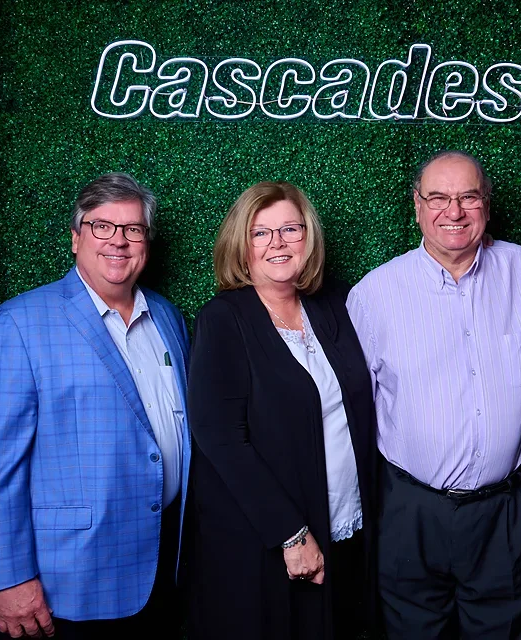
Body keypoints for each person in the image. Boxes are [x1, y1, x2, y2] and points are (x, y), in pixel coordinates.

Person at [0, 172, 191, 638]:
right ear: (75, 237)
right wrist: (9, 579)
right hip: (69, 578)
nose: (118, 242)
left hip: (165, 560)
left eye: (132, 229)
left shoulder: (167, 316)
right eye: (101, 226)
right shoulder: (18, 323)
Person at [345, 150, 521, 639]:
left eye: (468, 197)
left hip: (505, 511)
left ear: (487, 203)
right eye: (438, 197)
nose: (454, 211)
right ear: (416, 206)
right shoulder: (374, 295)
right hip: (409, 511)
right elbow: (350, 412)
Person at [187, 181, 377, 639]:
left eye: (290, 229)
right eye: (260, 233)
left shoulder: (333, 305)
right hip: (269, 541)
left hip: (344, 525)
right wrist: (290, 534)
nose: (277, 243)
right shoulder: (223, 319)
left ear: (308, 237)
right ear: (241, 243)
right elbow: (222, 438)